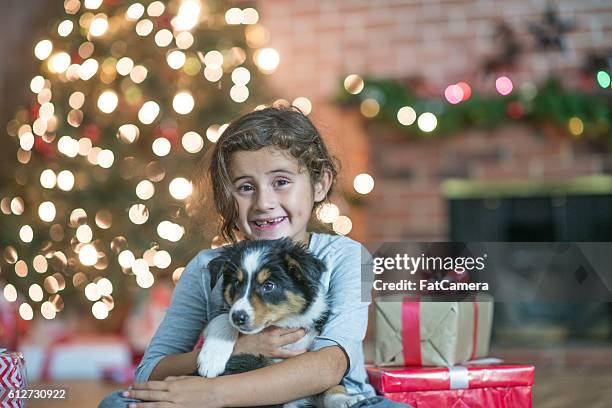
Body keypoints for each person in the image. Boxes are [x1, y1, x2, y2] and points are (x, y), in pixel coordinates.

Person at [99, 106, 412, 408]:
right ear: (227, 197)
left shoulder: (349, 256)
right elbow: (149, 371)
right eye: (246, 187)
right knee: (116, 403)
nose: (264, 202)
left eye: (281, 182)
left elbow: (330, 366)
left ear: (320, 184)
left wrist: (213, 393)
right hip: (236, 401)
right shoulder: (206, 267)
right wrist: (235, 348)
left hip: (330, 401)